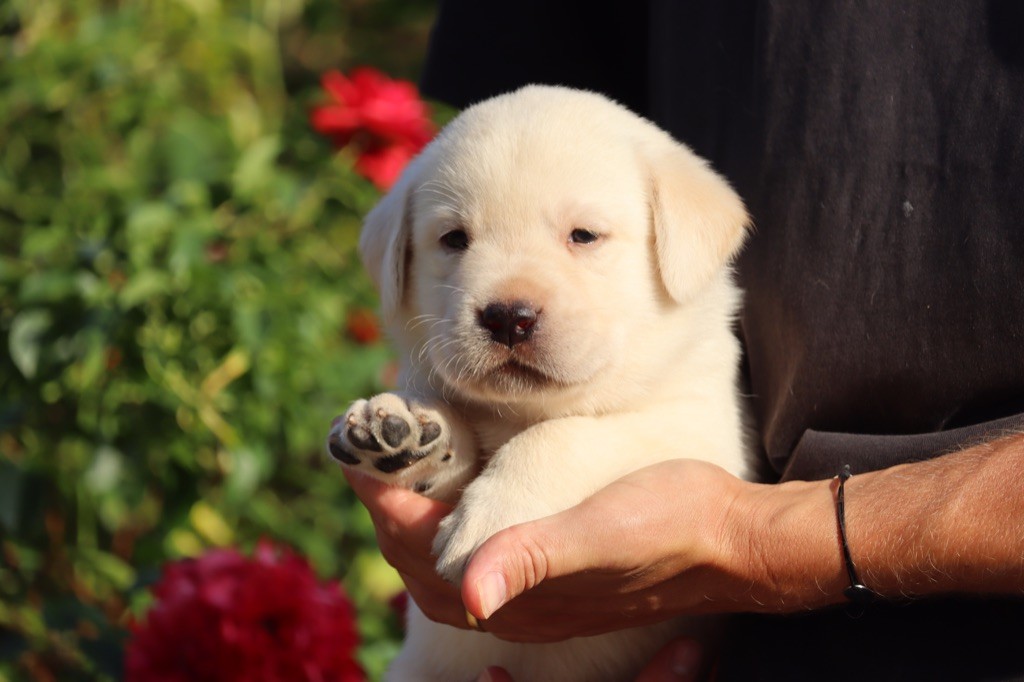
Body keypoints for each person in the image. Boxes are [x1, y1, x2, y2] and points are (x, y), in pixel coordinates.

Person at [345, 1, 1024, 679]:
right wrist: (432, 452)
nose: (508, 302)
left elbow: (693, 464)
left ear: (686, 244)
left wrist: (551, 460)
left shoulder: (686, 393)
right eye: (454, 238)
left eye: (583, 236)